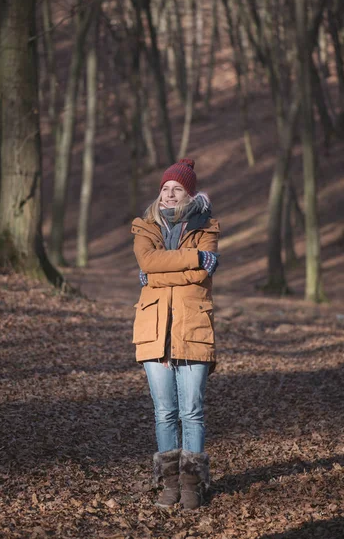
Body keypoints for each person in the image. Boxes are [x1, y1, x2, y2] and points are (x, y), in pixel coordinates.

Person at [131, 158, 220, 510]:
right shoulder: (145, 226)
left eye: (177, 189)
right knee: (164, 412)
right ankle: (169, 484)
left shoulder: (207, 226)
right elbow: (147, 263)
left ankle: (192, 486)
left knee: (192, 411)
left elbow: (201, 276)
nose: (169, 194)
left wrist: (157, 274)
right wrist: (191, 258)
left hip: (192, 328)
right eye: (165, 188)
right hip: (153, 330)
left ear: (189, 193)